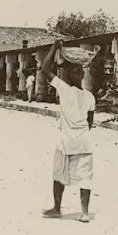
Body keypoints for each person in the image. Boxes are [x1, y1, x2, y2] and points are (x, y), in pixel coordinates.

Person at [41, 40, 96, 223]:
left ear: (72, 75)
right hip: (83, 142)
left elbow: (45, 70)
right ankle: (85, 213)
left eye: (70, 71)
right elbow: (89, 122)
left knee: (58, 175)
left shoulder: (64, 90)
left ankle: (57, 208)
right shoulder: (89, 96)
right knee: (85, 178)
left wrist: (54, 47)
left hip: (66, 141)